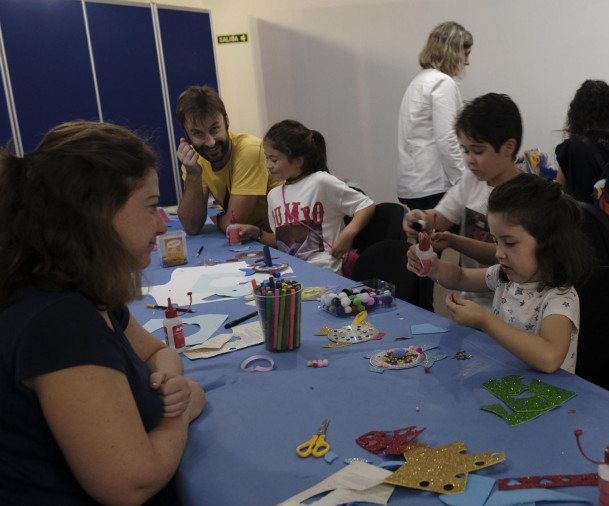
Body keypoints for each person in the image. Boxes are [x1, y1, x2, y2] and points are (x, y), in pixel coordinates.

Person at [0, 121, 206, 504]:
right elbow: (132, 483)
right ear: (96, 212)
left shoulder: (76, 287)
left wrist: (166, 383)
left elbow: (158, 352)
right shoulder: (58, 320)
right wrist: (183, 407)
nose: (162, 224)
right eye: (150, 207)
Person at [407, 173, 591, 373]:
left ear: (549, 244)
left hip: (549, 398)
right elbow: (460, 277)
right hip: (507, 383)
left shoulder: (559, 297)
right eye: (496, 241)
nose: (498, 253)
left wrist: (484, 321)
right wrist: (433, 267)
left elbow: (550, 358)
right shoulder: (504, 277)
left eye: (510, 243)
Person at [402, 93, 524, 309]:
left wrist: (454, 241)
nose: (469, 160)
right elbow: (439, 219)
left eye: (478, 151)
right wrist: (418, 220)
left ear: (508, 147)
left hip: (510, 307)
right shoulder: (472, 181)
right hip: (471, 300)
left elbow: (498, 255)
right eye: (465, 150)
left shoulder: (525, 195)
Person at [238, 120, 375, 274]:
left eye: (274, 159)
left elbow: (366, 205)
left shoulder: (320, 182)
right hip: (293, 271)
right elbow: (282, 242)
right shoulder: (274, 195)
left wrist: (347, 234)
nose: (268, 165)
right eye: (266, 158)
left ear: (298, 161)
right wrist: (257, 233)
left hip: (327, 270)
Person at [175, 85, 279, 235]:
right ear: (187, 135)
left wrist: (218, 219)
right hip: (256, 240)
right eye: (198, 133)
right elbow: (192, 226)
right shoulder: (194, 159)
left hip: (286, 245)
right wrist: (193, 174)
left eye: (214, 129)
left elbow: (234, 224)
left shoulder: (250, 150)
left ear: (227, 121)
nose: (210, 142)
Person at [396, 21, 472, 211]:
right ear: (453, 52)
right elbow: (448, 140)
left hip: (413, 186)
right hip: (434, 188)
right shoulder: (442, 83)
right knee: (444, 240)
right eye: (466, 54)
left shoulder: (419, 81)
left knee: (422, 240)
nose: (467, 62)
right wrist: (464, 184)